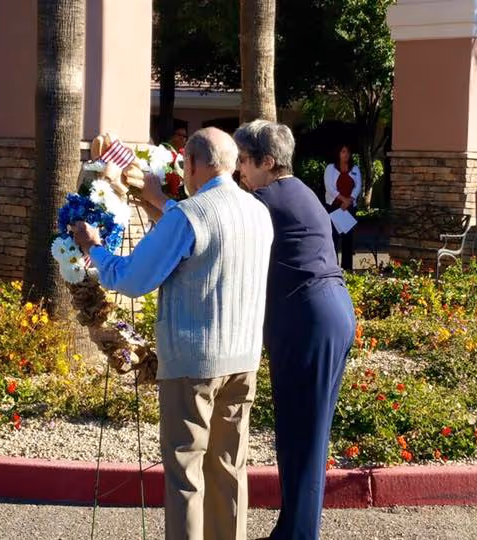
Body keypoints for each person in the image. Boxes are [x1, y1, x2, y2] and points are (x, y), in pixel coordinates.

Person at [72, 127, 273, 540]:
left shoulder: (189, 215)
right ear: (233, 163)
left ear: (194, 165)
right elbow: (203, 241)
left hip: (192, 362)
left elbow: (131, 278)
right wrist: (155, 199)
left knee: (185, 474)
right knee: (229, 469)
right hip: (244, 359)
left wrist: (94, 248)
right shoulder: (257, 212)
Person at [235, 120, 356, 540]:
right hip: (327, 313)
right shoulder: (299, 191)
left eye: (245, 161)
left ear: (267, 161)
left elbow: (209, 224)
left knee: (301, 438)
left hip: (310, 319)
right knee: (303, 434)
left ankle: (298, 535)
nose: (239, 171)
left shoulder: (264, 200)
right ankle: (293, 529)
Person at [323, 144, 361, 271]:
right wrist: (342, 199)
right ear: (338, 153)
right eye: (343, 152)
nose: (346, 155)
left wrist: (349, 200)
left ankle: (347, 268)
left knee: (348, 239)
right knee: (333, 238)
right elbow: (329, 187)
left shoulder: (355, 168)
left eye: (348, 152)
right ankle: (333, 268)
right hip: (334, 207)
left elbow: (358, 186)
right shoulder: (330, 168)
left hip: (349, 207)